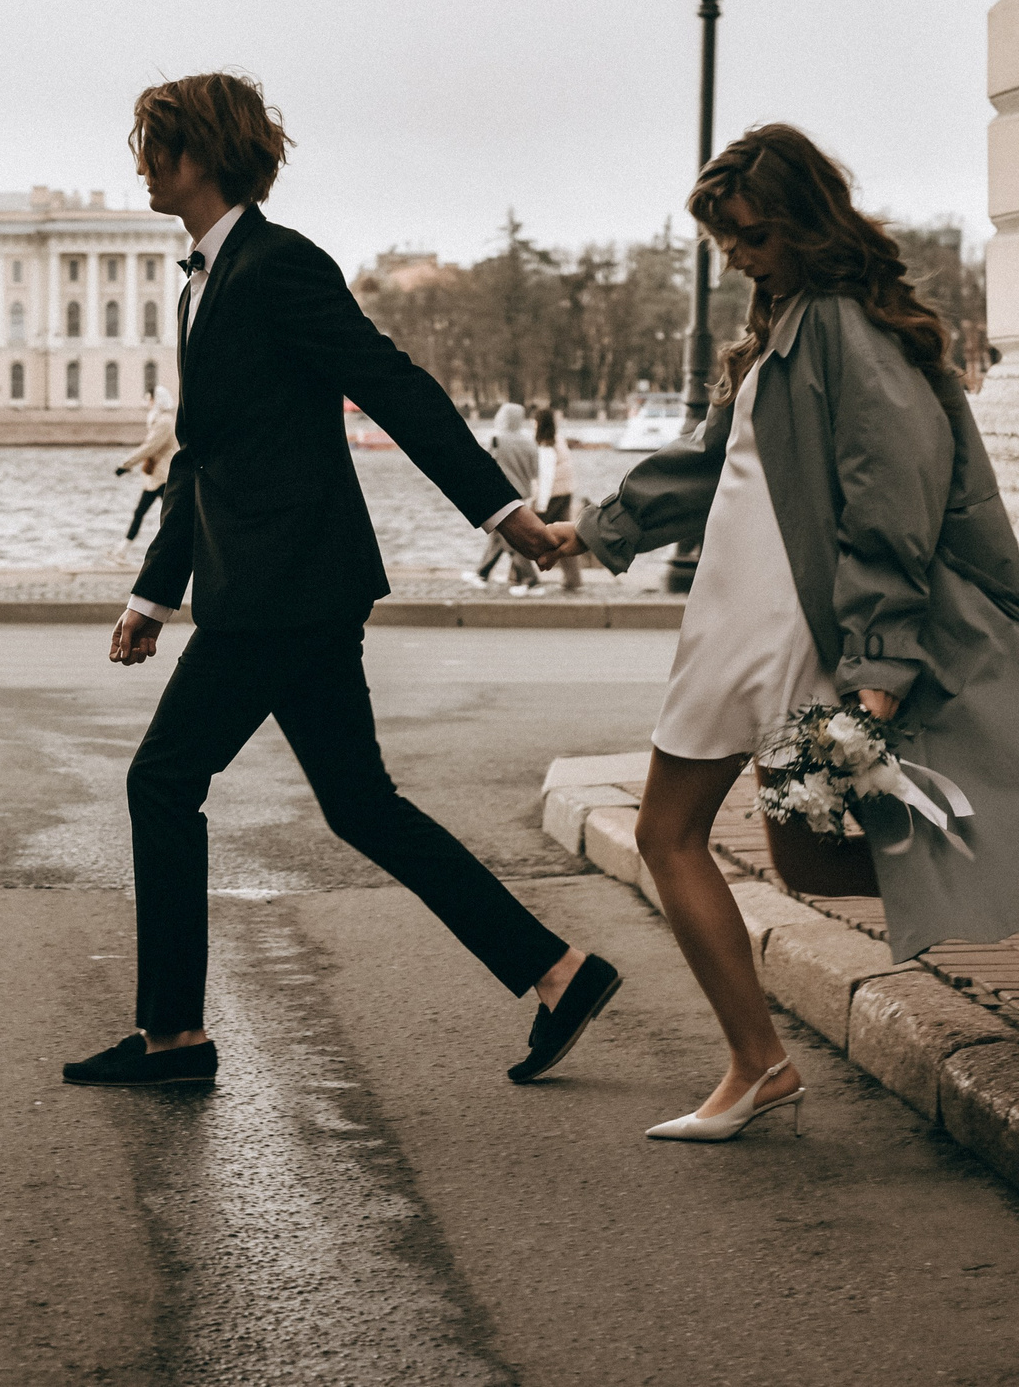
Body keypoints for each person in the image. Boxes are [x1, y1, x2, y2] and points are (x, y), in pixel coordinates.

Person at [546, 123, 1019, 1142]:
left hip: (773, 619)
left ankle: (758, 1065)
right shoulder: (789, 318)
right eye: (723, 238)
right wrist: (592, 529)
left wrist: (877, 662)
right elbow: (716, 470)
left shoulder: (840, 326)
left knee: (668, 831)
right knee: (807, 858)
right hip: (740, 609)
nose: (734, 254)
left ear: (797, 220)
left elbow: (891, 496)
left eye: (746, 233)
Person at [62, 72, 618, 1090]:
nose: (138, 161)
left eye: (151, 144)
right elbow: (201, 455)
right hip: (285, 582)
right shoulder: (202, 283)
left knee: (162, 779)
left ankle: (174, 1038)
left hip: (280, 587)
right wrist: (151, 596)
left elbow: (391, 382)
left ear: (196, 157)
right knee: (360, 803)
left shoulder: (278, 265)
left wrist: (503, 513)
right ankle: (557, 970)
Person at [464, 404, 541, 589]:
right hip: (521, 495)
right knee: (499, 536)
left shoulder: (497, 439)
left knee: (508, 538)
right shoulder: (529, 442)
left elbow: (485, 467)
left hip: (500, 495)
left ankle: (531, 580)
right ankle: (482, 573)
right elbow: (534, 472)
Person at [519, 407, 581, 594]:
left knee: (522, 533)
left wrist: (539, 504)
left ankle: (524, 576)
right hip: (565, 493)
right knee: (565, 537)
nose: (532, 424)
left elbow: (545, 478)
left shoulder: (545, 445)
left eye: (534, 421)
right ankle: (573, 579)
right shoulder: (558, 439)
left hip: (551, 496)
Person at [115, 383, 178, 554]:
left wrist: (125, 464)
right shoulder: (159, 419)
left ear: (157, 400)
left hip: (163, 476)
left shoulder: (164, 422)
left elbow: (150, 447)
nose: (148, 402)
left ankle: (124, 550)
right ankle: (122, 550)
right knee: (146, 513)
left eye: (150, 399)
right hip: (156, 477)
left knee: (169, 518)